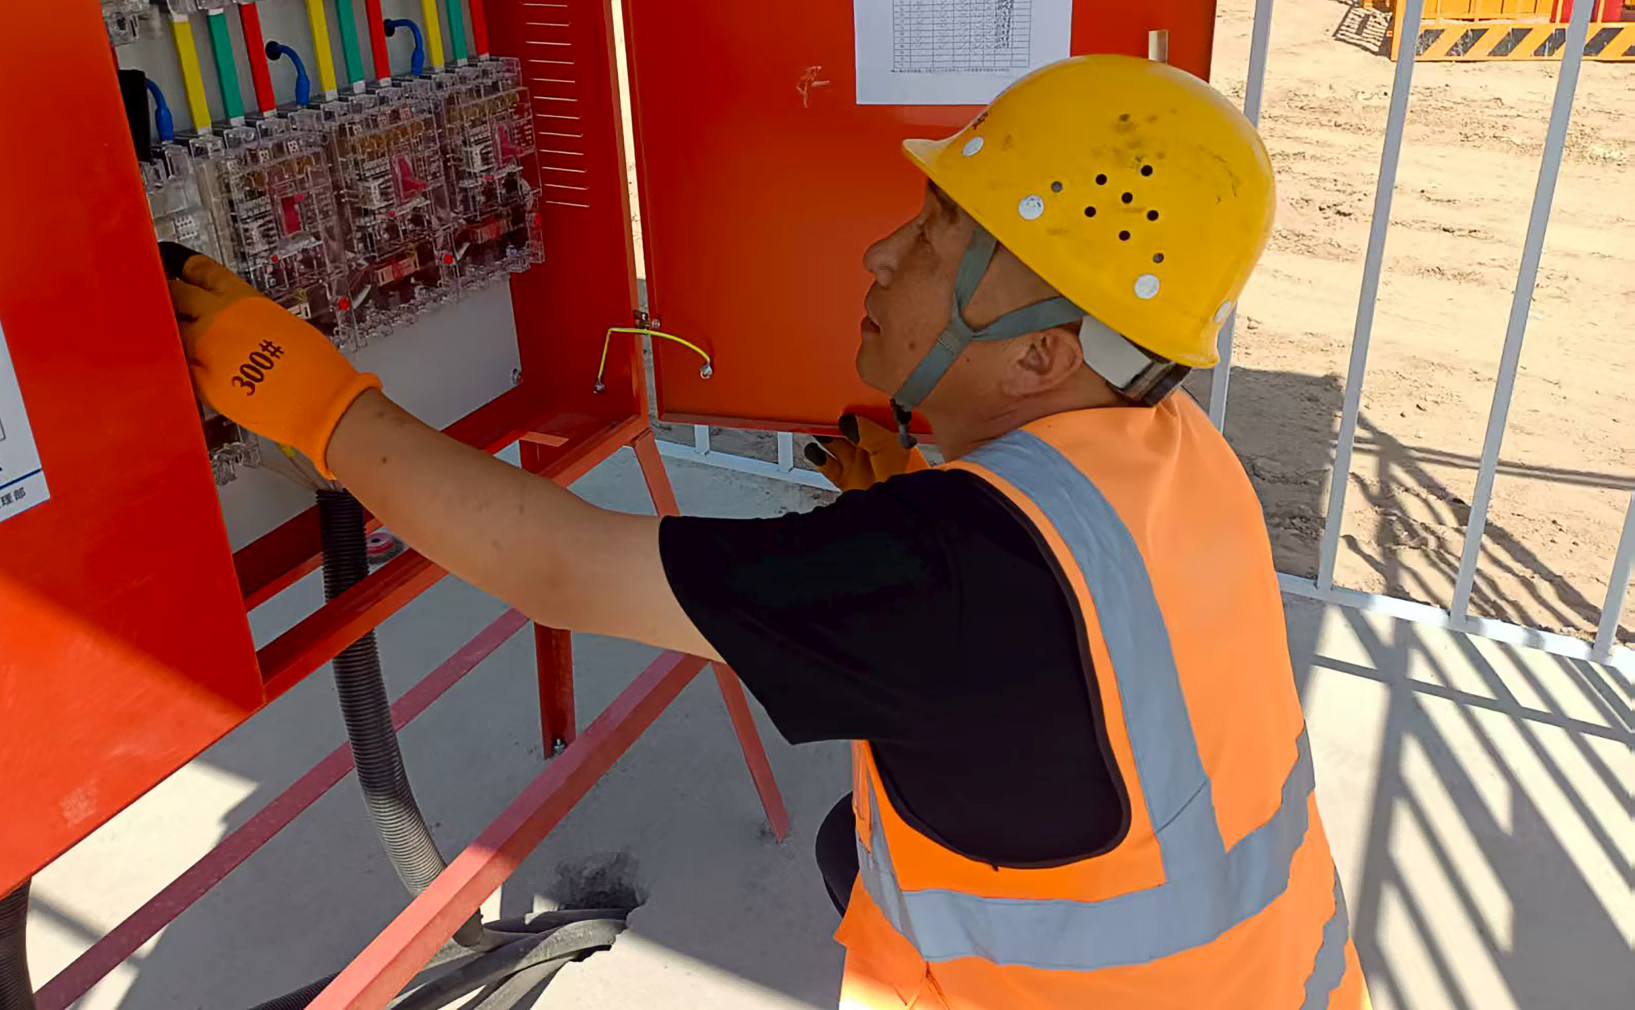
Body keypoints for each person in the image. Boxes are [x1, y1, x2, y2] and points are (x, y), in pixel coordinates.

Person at [168, 55, 1367, 1009]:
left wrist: (315, 402)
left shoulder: (941, 574)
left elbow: (558, 565)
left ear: (1044, 353)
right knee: (855, 840)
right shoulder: (1181, 449)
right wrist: (921, 490)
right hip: (1273, 981)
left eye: (937, 239)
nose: (882, 254)